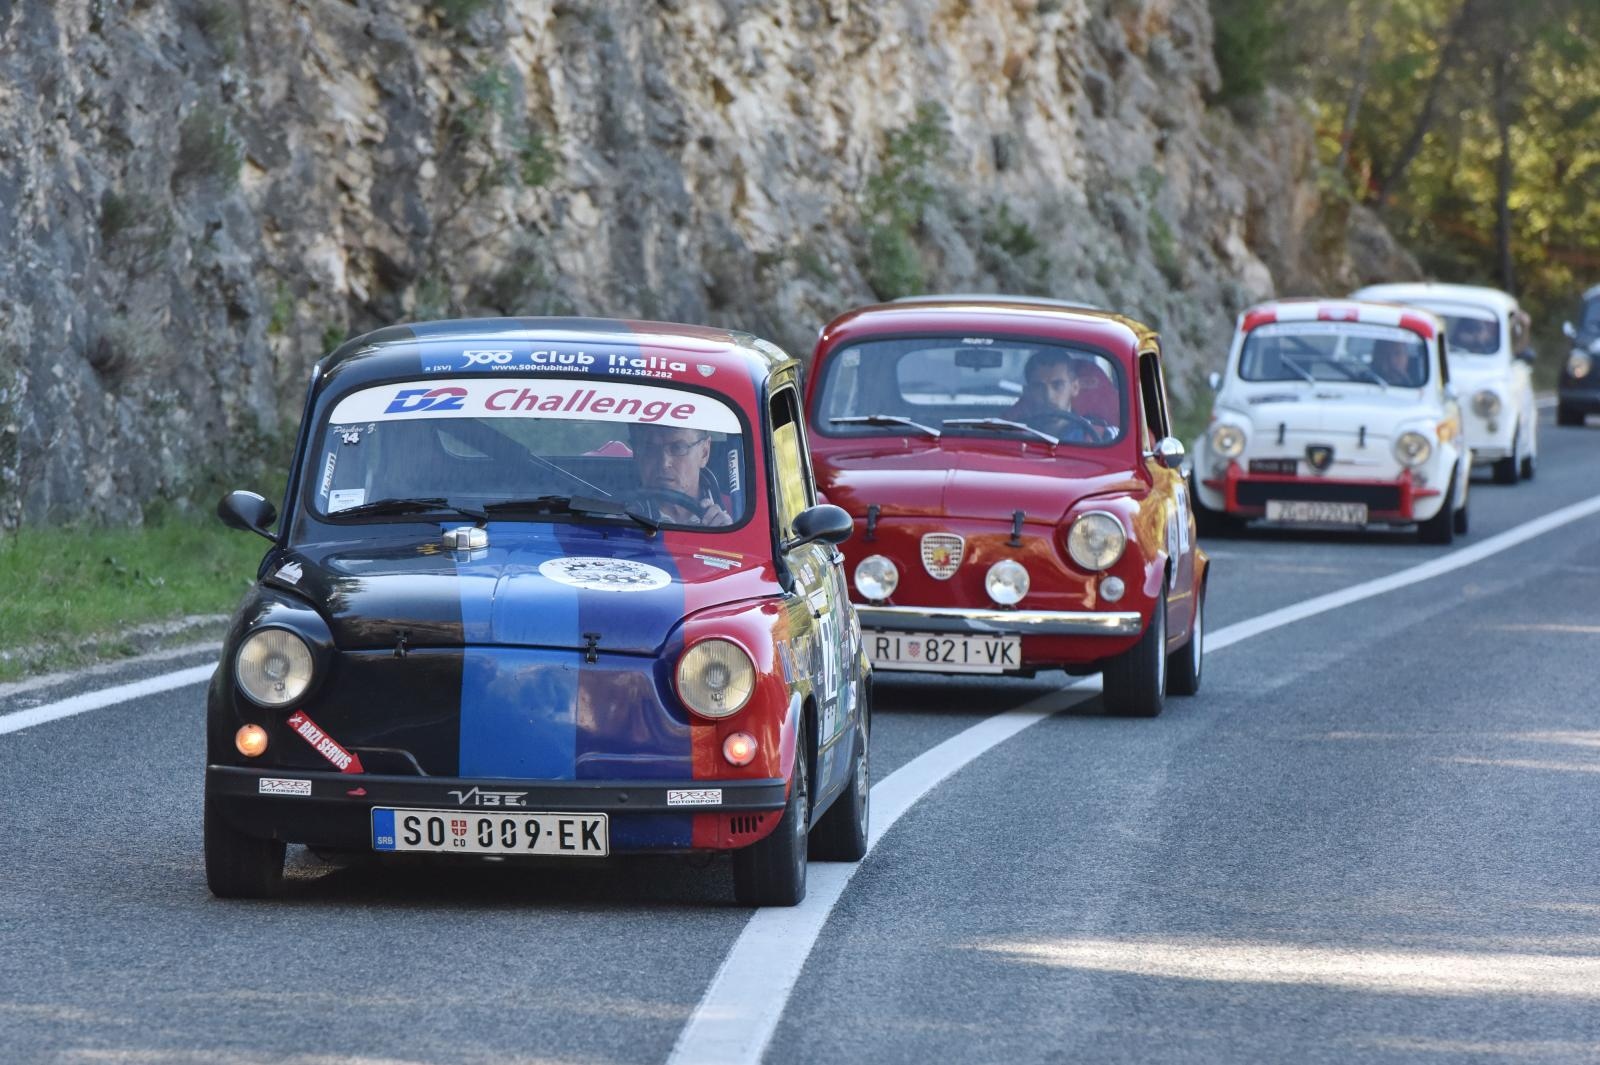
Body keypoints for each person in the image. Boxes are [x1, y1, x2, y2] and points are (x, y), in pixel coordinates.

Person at [628, 424, 733, 526]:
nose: (664, 463)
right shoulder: (619, 516)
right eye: (649, 448)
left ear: (704, 452)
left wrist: (728, 538)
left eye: (677, 448)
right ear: (636, 454)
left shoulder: (737, 514)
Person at [1005, 350, 1107, 442]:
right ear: (1027, 392)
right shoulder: (1010, 436)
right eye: (1039, 386)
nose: (1049, 396)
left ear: (1075, 387)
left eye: (1058, 385)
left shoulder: (1100, 437)